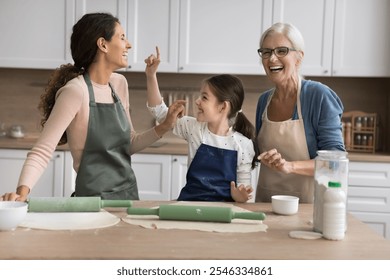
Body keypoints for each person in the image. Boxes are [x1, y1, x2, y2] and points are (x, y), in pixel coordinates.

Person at [0, 13, 184, 202]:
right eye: (122, 37)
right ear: (103, 44)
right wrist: (21, 194)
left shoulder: (119, 84)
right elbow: (42, 150)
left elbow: (128, 144)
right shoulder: (75, 91)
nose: (128, 44)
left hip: (128, 198)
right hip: (90, 203)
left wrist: (165, 125)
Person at [144, 47, 256, 202]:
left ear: (223, 106)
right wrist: (151, 75)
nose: (197, 101)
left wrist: (240, 197)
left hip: (223, 213)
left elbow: (245, 196)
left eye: (204, 97)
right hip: (189, 206)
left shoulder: (243, 145)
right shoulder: (193, 128)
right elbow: (160, 113)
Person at [255, 22, 345, 203]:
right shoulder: (263, 101)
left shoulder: (318, 96)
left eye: (281, 51)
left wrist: (289, 166)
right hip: (266, 203)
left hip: (308, 206)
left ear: (299, 57)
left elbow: (335, 163)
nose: (272, 59)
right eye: (266, 52)